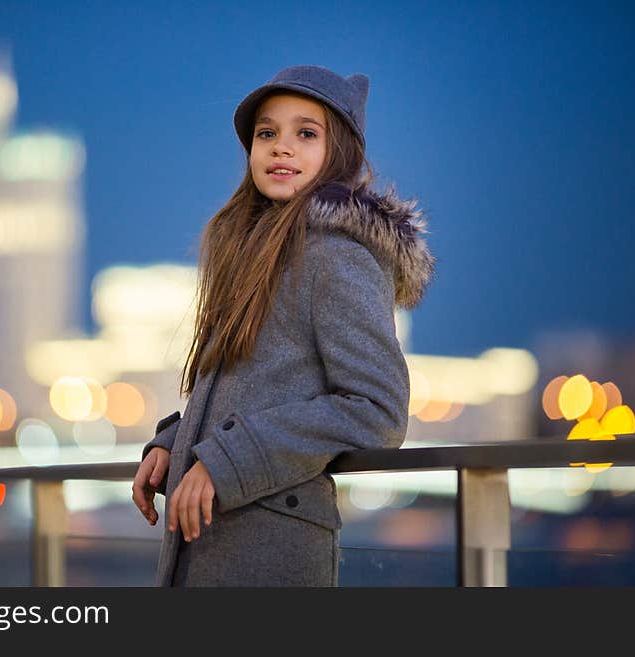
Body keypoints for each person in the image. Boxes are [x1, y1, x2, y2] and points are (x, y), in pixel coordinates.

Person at [131, 64, 435, 586]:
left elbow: (378, 409)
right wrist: (175, 443)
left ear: (339, 152)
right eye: (266, 133)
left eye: (306, 133)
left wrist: (226, 460)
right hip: (214, 536)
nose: (281, 147)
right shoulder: (254, 253)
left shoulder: (336, 256)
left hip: (272, 547)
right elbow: (256, 388)